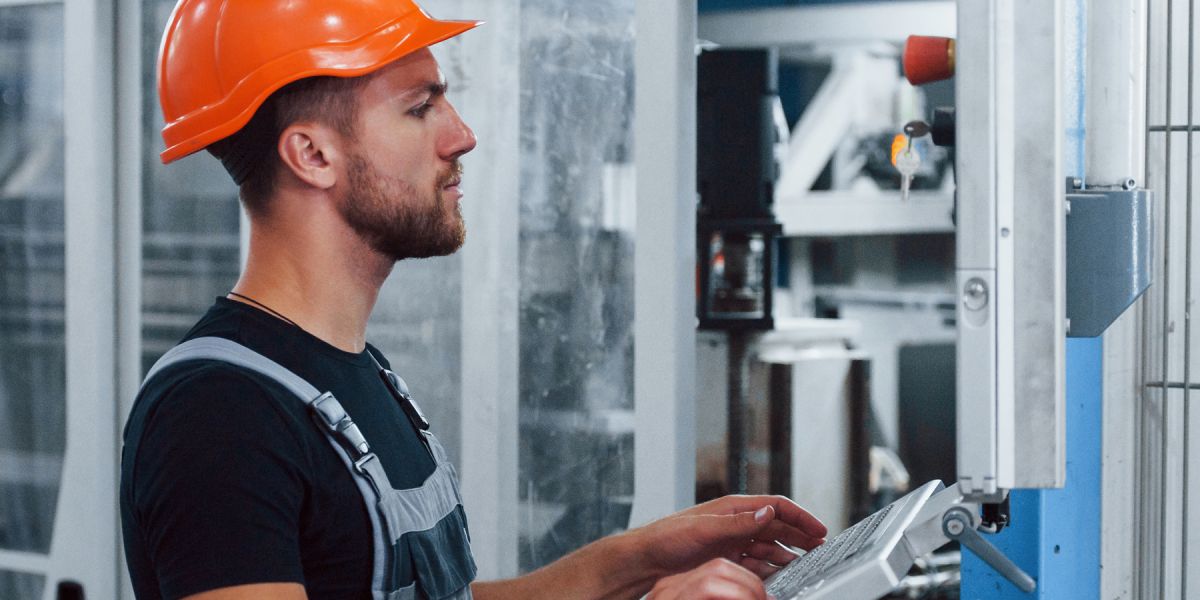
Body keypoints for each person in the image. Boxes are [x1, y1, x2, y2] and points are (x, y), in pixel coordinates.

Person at [119, 2, 828, 599]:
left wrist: (641, 557)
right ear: (312, 156)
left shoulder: (354, 373)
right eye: (420, 107)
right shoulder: (218, 415)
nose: (462, 135)